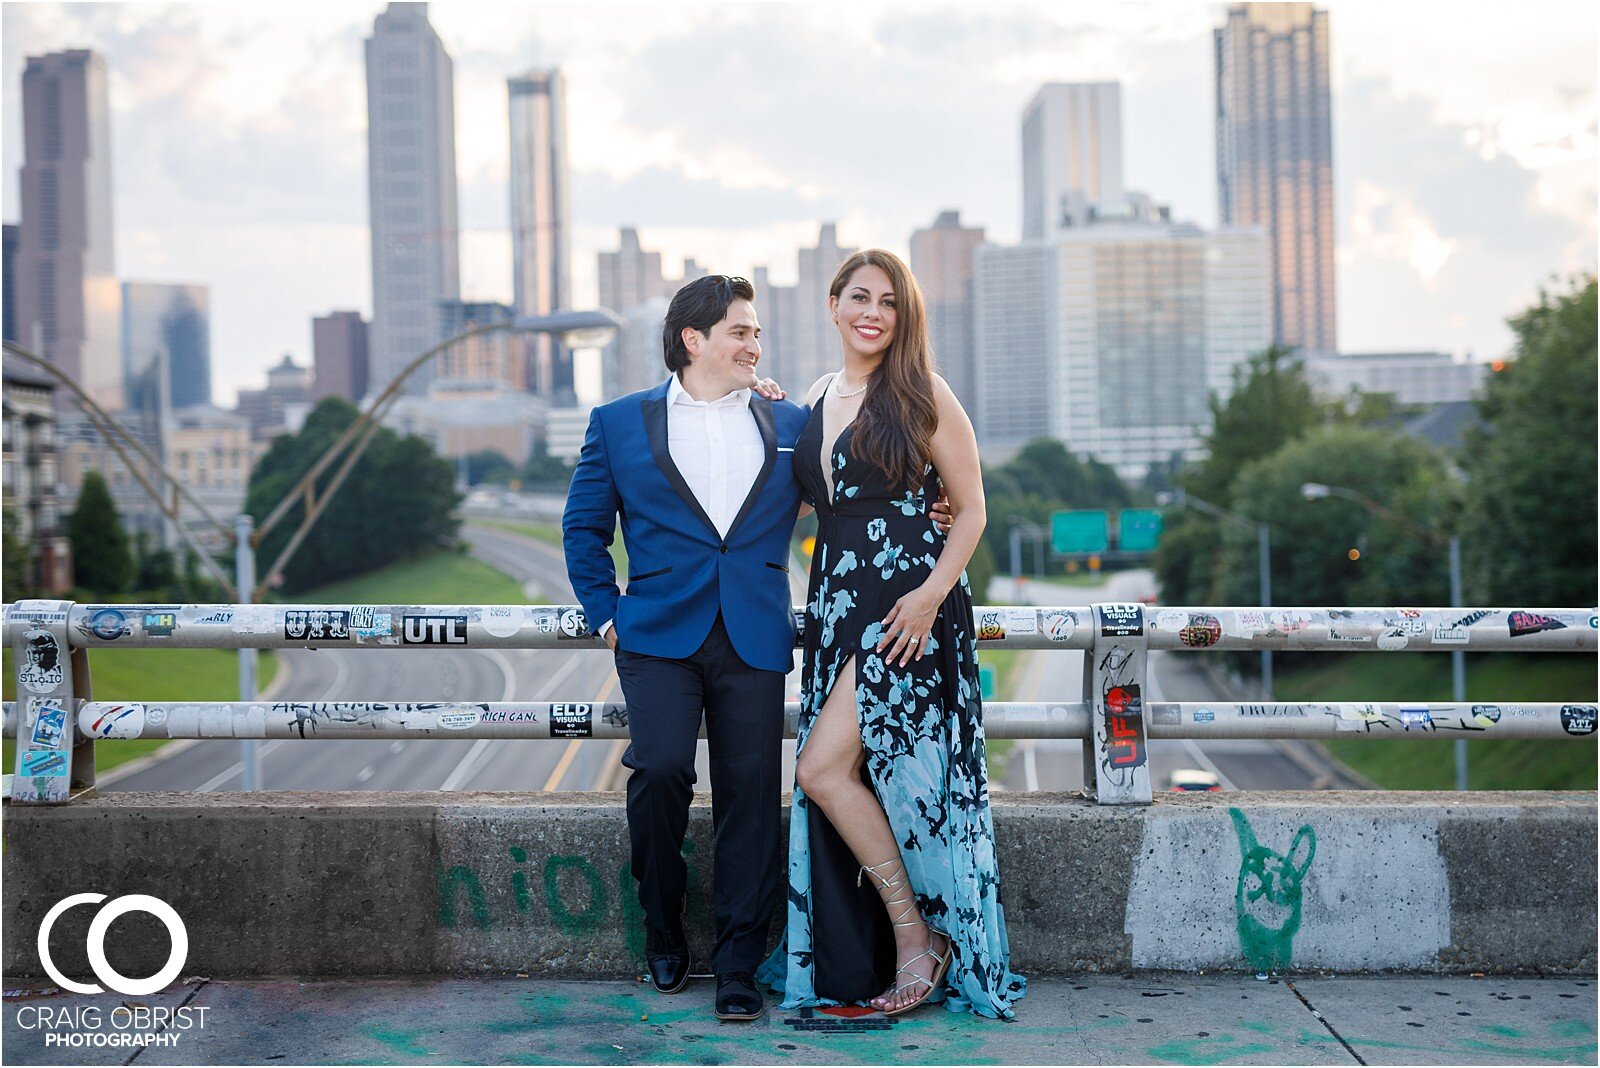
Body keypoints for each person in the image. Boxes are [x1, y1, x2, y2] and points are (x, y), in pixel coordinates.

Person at [563, 275, 951, 1022]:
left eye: (757, 334)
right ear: (693, 339)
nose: (755, 344)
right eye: (741, 332)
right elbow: (583, 530)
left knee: (750, 798)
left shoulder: (790, 420)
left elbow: (865, 478)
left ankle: (738, 963)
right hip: (655, 637)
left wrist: (936, 506)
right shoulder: (616, 423)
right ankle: (663, 925)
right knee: (661, 770)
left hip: (752, 633)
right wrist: (607, 616)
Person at [759, 249, 1026, 1019]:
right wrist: (766, 404)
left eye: (889, 303)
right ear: (834, 304)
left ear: (905, 317)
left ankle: (921, 940)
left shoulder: (923, 393)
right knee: (843, 773)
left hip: (906, 610)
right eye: (859, 297)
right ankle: (889, 944)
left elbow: (970, 509)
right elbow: (810, 501)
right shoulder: (813, 398)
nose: (873, 313)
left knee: (826, 769)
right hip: (839, 604)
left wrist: (929, 598)